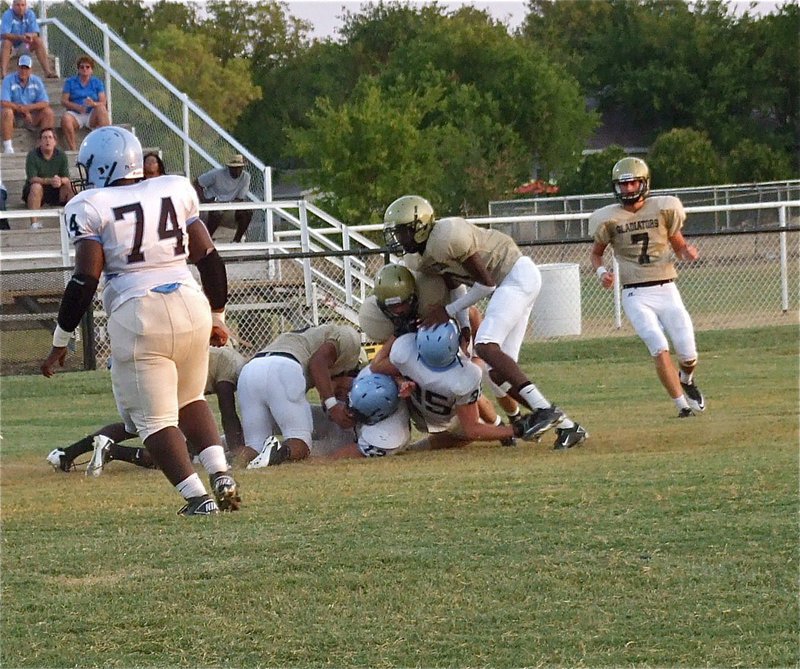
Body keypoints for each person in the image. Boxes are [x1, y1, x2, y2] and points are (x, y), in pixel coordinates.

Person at [39, 126, 241, 517]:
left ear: (101, 164)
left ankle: (198, 499)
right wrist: (216, 315)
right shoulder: (173, 188)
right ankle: (221, 475)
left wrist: (61, 339)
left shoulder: (90, 204)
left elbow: (85, 278)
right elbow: (210, 259)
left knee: (153, 421)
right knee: (191, 399)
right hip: (190, 302)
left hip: (139, 311)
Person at [383, 195, 588, 450]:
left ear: (421, 227)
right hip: (507, 284)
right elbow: (455, 284)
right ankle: (568, 427)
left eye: (402, 232)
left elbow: (486, 283)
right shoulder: (421, 256)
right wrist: (463, 323)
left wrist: (448, 311)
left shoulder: (448, 235)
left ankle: (546, 410)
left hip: (514, 275)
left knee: (486, 346)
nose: (399, 239)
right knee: (495, 374)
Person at [589, 156, 705, 418]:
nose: (628, 189)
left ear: (644, 183)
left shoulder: (663, 209)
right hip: (634, 293)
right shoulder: (608, 218)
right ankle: (681, 406)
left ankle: (686, 379)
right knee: (657, 343)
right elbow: (596, 253)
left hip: (666, 288)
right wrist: (601, 272)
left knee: (688, 353)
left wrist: (686, 251)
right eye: (623, 184)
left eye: (632, 183)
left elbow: (678, 245)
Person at [329, 321, 545, 459]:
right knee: (472, 401)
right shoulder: (465, 375)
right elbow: (472, 429)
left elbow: (377, 364)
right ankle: (502, 426)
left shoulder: (406, 353)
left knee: (472, 398)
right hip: (437, 415)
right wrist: (517, 429)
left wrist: (400, 332)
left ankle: (501, 425)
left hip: (415, 406)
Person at [359, 262, 521, 437]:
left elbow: (472, 314)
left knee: (468, 382)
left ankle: (505, 422)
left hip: (449, 352)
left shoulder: (432, 303)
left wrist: (474, 350)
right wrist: (400, 377)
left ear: (414, 296)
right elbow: (381, 365)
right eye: (392, 306)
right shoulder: (389, 331)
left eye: (402, 304)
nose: (398, 311)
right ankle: (504, 425)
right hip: (415, 368)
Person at [46, 343, 249, 475]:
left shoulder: (228, 360)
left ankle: (67, 454)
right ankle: (112, 451)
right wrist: (236, 451)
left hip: (141, 370)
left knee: (132, 427)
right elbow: (227, 412)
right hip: (161, 379)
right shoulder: (232, 364)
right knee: (176, 455)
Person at [236, 323, 361, 467]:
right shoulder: (349, 338)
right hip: (284, 367)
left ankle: (226, 460)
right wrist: (332, 405)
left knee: (255, 446)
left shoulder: (311, 339)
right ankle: (278, 453)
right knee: (301, 441)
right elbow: (318, 362)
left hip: (250, 370)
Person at [0, 53, 54, 154]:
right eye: (21, 68)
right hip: (14, 116)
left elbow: (45, 102)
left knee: (48, 112)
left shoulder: (36, 81)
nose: (23, 71)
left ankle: (41, 146)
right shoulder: (8, 80)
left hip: (31, 116)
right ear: (17, 68)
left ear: (31, 69)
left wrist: (28, 108)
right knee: (7, 112)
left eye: (26, 68)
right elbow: (4, 102)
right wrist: (21, 109)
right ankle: (8, 147)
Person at [22, 127, 74, 229]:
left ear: (55, 142)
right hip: (36, 191)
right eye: (44, 138)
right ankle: (34, 223)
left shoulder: (61, 155)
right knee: (36, 187)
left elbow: (66, 177)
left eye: (50, 137)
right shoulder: (32, 155)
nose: (47, 140)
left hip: (55, 190)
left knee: (68, 186)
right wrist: (50, 181)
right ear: (40, 141)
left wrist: (60, 181)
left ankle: (72, 221)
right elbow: (32, 178)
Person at [194, 154, 252, 242]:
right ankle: (207, 239)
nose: (236, 171)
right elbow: (197, 182)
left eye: (239, 168)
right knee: (217, 212)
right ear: (228, 167)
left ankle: (236, 241)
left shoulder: (246, 177)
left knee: (247, 212)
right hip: (212, 204)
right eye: (233, 168)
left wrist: (230, 205)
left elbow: (240, 198)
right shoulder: (217, 174)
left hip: (230, 205)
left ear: (243, 167)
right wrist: (204, 200)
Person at [60, 55, 110, 151]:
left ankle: (105, 145)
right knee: (65, 118)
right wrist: (76, 107)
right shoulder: (70, 82)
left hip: (92, 113)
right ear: (78, 69)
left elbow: (103, 101)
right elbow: (63, 100)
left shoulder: (97, 82)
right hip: (76, 113)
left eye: (87, 67)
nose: (84, 69)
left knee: (102, 109)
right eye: (82, 67)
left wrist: (93, 104)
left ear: (92, 70)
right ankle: (74, 150)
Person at [0, 0, 56, 79]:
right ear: (13, 6)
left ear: (26, 5)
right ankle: (3, 74)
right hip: (10, 49)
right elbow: (4, 35)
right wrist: (20, 37)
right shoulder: (7, 15)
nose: (21, 8)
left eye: (23, 5)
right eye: (18, 5)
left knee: (38, 41)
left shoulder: (30, 14)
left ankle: (48, 72)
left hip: (25, 46)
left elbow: (36, 32)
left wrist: (30, 35)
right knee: (6, 42)